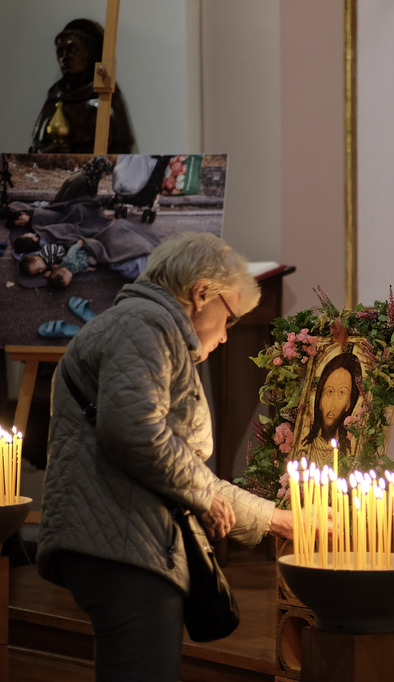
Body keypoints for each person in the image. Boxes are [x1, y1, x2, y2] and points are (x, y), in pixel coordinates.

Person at [37, 231, 295, 680]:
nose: (228, 336)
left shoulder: (144, 327)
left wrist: (276, 520)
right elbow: (134, 432)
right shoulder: (145, 325)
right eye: (230, 318)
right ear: (201, 294)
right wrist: (201, 495)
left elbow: (177, 468)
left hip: (128, 536)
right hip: (124, 541)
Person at [29, 19, 134, 154]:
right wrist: (53, 150)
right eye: (60, 52)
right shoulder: (55, 99)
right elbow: (36, 149)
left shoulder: (106, 96)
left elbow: (123, 148)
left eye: (72, 50)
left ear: (90, 54)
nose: (65, 58)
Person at [299, 351, 362, 467]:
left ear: (349, 404)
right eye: (329, 392)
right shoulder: (302, 450)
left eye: (342, 393)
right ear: (319, 399)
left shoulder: (350, 453)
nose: (333, 404)